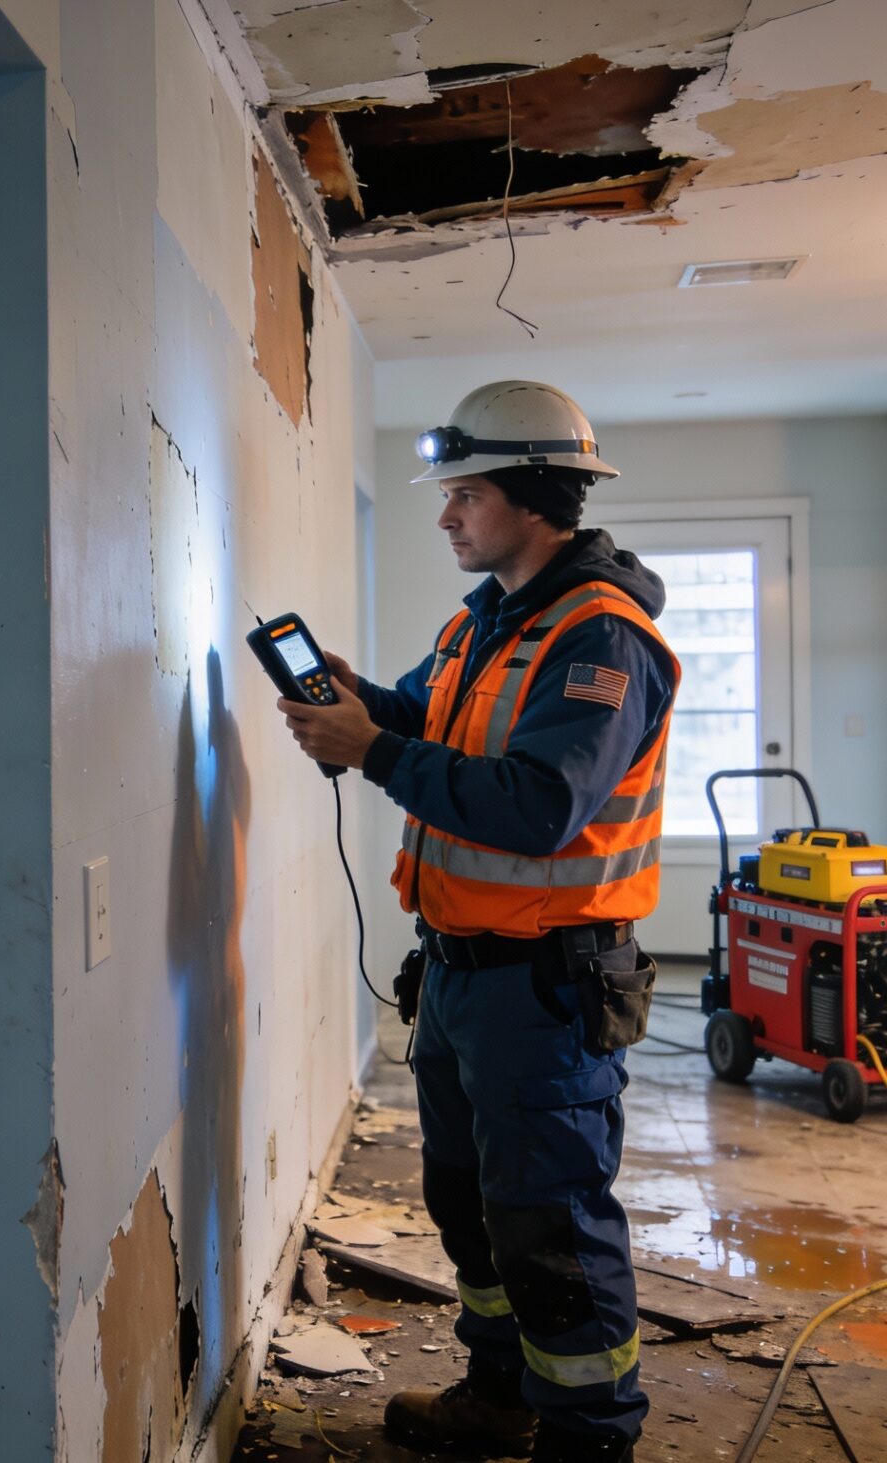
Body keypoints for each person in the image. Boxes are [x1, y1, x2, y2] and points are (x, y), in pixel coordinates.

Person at [276, 380, 677, 1463]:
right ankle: (498, 1393)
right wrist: (358, 699)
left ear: (534, 500)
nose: (446, 515)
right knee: (469, 1207)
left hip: (545, 986)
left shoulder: (601, 642)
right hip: (455, 974)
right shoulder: (487, 618)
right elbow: (423, 715)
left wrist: (371, 751)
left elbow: (540, 806)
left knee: (550, 1223)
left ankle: (589, 1437)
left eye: (465, 493)